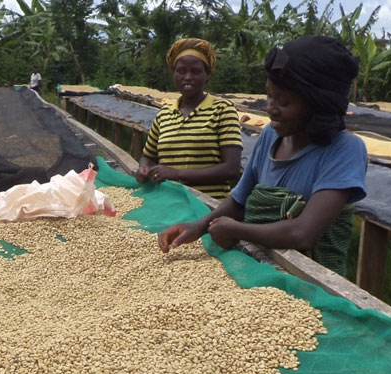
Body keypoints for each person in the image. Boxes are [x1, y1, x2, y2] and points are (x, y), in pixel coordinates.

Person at [157, 36, 367, 277]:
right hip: (260, 268)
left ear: (318, 105)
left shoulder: (344, 150)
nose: (270, 108)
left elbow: (303, 233)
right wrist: (198, 227)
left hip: (314, 282)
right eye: (269, 96)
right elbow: (238, 201)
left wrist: (238, 230)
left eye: (283, 101)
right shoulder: (270, 136)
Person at [135, 38, 243, 200]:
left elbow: (231, 169)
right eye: (181, 71)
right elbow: (148, 155)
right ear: (174, 74)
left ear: (207, 75)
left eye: (196, 71)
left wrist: (177, 174)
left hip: (208, 207)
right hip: (168, 203)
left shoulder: (222, 110)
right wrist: (144, 168)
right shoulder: (164, 114)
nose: (187, 77)